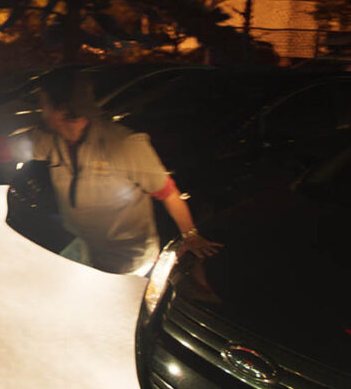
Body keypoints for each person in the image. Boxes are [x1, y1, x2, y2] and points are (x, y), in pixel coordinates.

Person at [31, 70, 221, 275]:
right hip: (84, 250)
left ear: (63, 109)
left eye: (45, 103)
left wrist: (190, 235)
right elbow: (8, 148)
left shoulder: (124, 144)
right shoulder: (52, 140)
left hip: (128, 261)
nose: (41, 110)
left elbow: (167, 192)